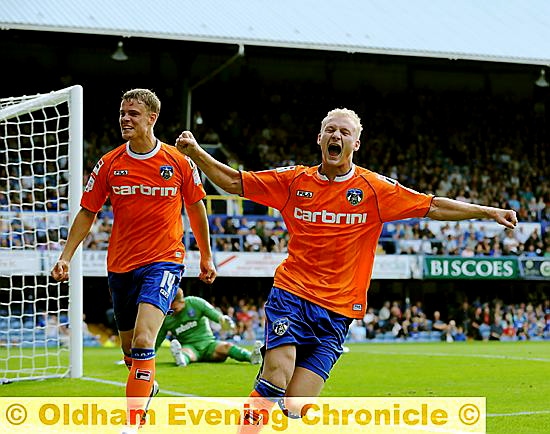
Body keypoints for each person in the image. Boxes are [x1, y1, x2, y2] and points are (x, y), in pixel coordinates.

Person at [175, 107, 517, 431]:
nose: (335, 135)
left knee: (296, 406)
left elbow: (431, 206)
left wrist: (485, 211)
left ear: (356, 143)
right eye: (330, 129)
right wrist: (196, 153)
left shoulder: (374, 189)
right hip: (292, 294)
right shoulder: (294, 181)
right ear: (320, 139)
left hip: (339, 310)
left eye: (344, 131)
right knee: (274, 379)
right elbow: (236, 183)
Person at [50, 88, 216, 430]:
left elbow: (196, 208)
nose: (125, 118)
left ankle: (134, 421)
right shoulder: (110, 163)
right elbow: (87, 211)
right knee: (130, 350)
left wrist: (206, 257)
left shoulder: (178, 162)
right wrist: (66, 256)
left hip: (164, 261)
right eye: (123, 113)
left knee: (144, 339)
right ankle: (146, 383)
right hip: (120, 266)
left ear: (151, 118)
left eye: (133, 114)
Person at [156, 288, 262, 367]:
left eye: (174, 308)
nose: (172, 311)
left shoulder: (195, 302)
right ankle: (181, 359)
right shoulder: (165, 316)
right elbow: (158, 338)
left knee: (227, 346)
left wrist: (223, 320)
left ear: (182, 301)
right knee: (186, 352)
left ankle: (251, 356)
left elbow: (214, 314)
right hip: (190, 346)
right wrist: (149, 354)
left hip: (209, 344)